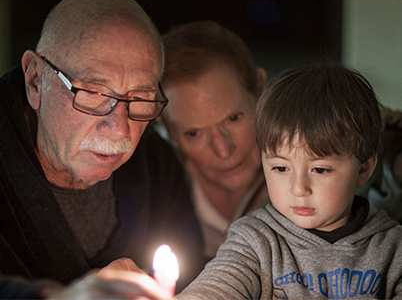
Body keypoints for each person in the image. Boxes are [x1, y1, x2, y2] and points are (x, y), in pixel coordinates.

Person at [126, 64, 402, 299]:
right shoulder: (255, 241)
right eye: (281, 167)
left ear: (364, 168)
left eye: (320, 170)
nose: (298, 189)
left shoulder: (393, 249)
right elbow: (216, 287)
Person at [0, 0, 204, 298]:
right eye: (94, 93)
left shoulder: (157, 166)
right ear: (35, 81)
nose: (120, 130)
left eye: (140, 98)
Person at [158, 20, 270, 263]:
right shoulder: (157, 193)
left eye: (233, 118)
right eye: (194, 133)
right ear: (166, 129)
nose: (222, 150)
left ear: (261, 90)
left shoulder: (315, 178)